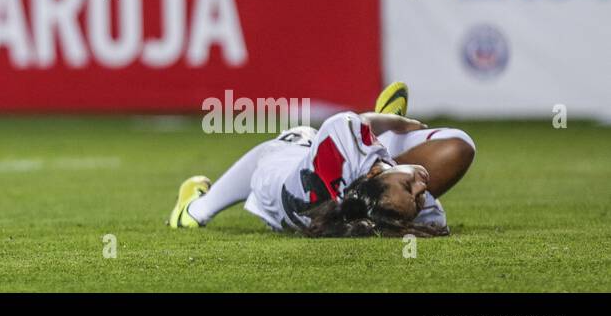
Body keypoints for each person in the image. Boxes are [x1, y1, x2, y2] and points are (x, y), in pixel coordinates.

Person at [168, 82, 476, 236]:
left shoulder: (341, 137)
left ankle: (193, 211)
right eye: (419, 198)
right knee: (461, 146)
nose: (424, 188)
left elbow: (355, 122)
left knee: (297, 136)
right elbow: (428, 220)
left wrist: (392, 122)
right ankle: (384, 143)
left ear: (372, 176)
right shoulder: (414, 214)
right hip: (322, 201)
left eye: (410, 187)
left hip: (274, 186)